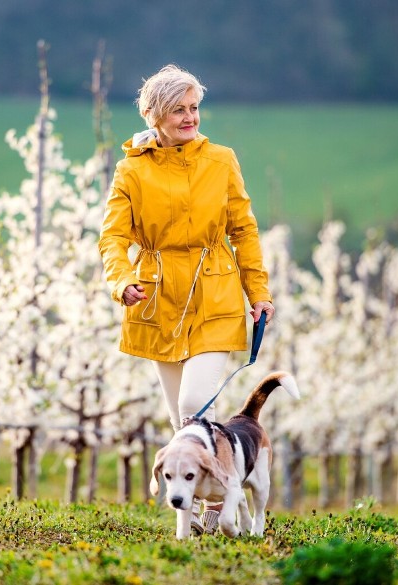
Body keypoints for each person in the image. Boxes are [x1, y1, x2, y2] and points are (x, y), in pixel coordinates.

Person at [98, 64, 274, 533]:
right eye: (179, 109)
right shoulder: (130, 170)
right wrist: (120, 282)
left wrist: (258, 292)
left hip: (215, 291)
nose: (191, 117)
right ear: (156, 115)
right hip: (157, 302)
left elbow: (244, 230)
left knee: (197, 404)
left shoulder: (221, 160)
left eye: (194, 107)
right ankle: (195, 512)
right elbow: (112, 238)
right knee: (181, 419)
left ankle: (218, 509)